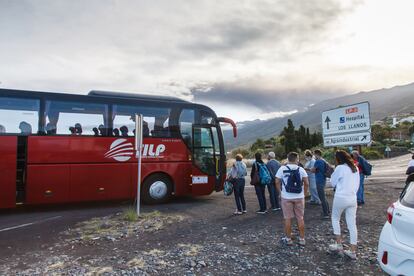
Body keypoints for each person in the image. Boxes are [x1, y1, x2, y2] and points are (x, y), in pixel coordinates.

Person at [329, 150, 360, 260]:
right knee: (352, 224)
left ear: (338, 159)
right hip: (352, 198)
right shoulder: (355, 168)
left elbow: (332, 183)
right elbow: (357, 184)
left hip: (341, 197)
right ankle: (352, 251)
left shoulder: (340, 168)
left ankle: (339, 244)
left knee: (335, 218)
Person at [275, 152, 309, 246]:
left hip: (286, 197)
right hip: (299, 196)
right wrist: (304, 194)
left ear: (288, 159)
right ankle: (302, 239)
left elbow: (277, 181)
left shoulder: (282, 169)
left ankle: (288, 239)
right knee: (300, 218)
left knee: (287, 218)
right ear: (297, 159)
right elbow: (306, 183)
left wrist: (280, 193)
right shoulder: (301, 169)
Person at [311, 149, 330, 219]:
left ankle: (326, 214)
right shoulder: (323, 160)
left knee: (322, 197)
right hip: (323, 180)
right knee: (323, 197)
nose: (313, 156)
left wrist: (307, 169)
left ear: (316, 154)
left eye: (314, 154)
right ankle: (327, 211)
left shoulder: (318, 161)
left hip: (319, 180)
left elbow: (313, 170)